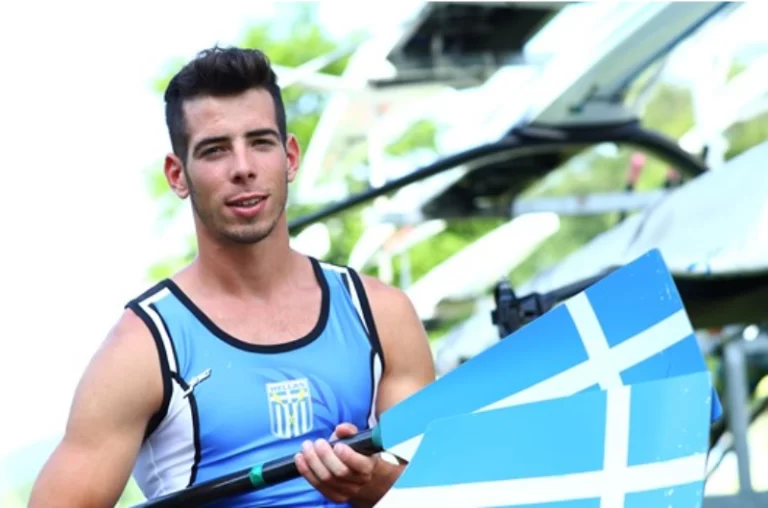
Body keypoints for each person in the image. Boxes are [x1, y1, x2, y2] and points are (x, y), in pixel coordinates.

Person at [29, 46, 436, 507]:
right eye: (215, 150)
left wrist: (373, 484)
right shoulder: (141, 349)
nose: (243, 168)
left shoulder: (381, 314)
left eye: (260, 142)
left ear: (290, 157)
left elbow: (446, 492)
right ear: (177, 175)